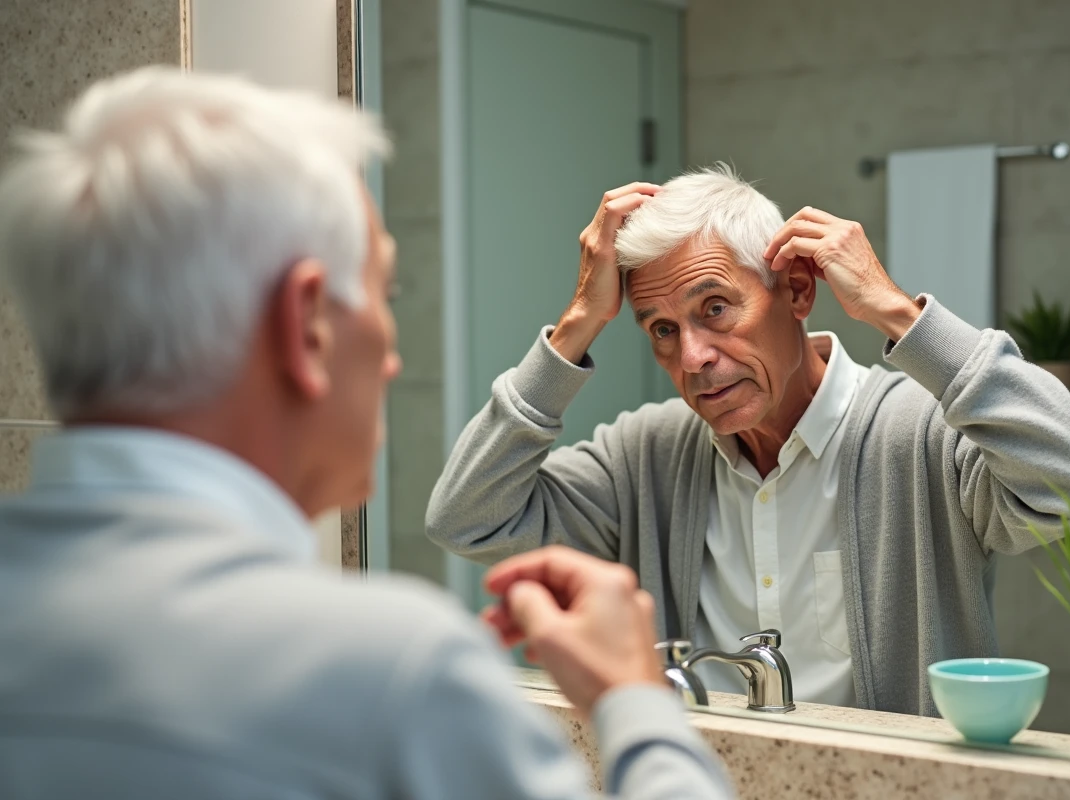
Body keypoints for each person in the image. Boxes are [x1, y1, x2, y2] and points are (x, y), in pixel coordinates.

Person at [0, 67, 731, 799]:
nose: (391, 358)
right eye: (383, 294)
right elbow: (470, 515)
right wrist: (634, 701)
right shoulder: (389, 680)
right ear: (308, 324)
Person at [425, 164, 1070, 716]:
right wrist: (578, 320)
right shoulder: (648, 453)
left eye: (716, 309)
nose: (693, 357)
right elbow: (466, 516)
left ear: (797, 292)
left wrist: (895, 311)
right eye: (663, 330)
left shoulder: (921, 434)